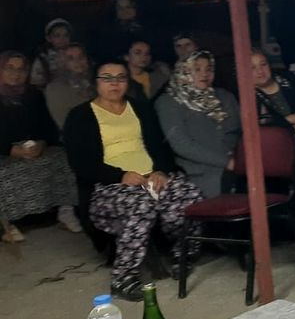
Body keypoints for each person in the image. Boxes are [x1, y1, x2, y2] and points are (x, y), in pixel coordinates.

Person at [63, 58, 203, 301]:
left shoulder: (141, 108)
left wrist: (160, 171)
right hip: (110, 186)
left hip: (151, 179)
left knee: (190, 196)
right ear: (96, 82)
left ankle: (183, 254)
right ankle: (123, 277)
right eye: (107, 78)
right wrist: (120, 175)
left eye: (121, 78)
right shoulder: (80, 116)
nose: (114, 83)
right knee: (141, 206)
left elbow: (160, 146)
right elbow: (80, 163)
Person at [0, 51, 81, 243]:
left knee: (63, 158)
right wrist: (11, 150)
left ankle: (65, 212)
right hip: (4, 151)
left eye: (21, 69)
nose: (16, 74)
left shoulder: (33, 94)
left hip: (33, 148)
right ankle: (5, 224)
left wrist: (41, 143)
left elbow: (47, 126)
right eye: (9, 68)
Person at [155, 52, 241, 198]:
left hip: (236, 164)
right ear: (184, 72)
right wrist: (226, 162)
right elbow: (182, 145)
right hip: (198, 173)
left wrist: (237, 159)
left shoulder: (224, 96)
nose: (204, 74)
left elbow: (237, 131)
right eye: (197, 69)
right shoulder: (168, 102)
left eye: (209, 69)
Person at [43, 43, 95, 130]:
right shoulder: (55, 89)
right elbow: (65, 124)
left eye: (81, 56)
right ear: (62, 62)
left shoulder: (95, 83)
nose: (78, 61)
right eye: (70, 58)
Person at [29, 18, 74, 88]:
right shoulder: (43, 59)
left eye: (66, 35)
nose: (62, 39)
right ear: (48, 38)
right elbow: (35, 82)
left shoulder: (76, 55)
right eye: (57, 36)